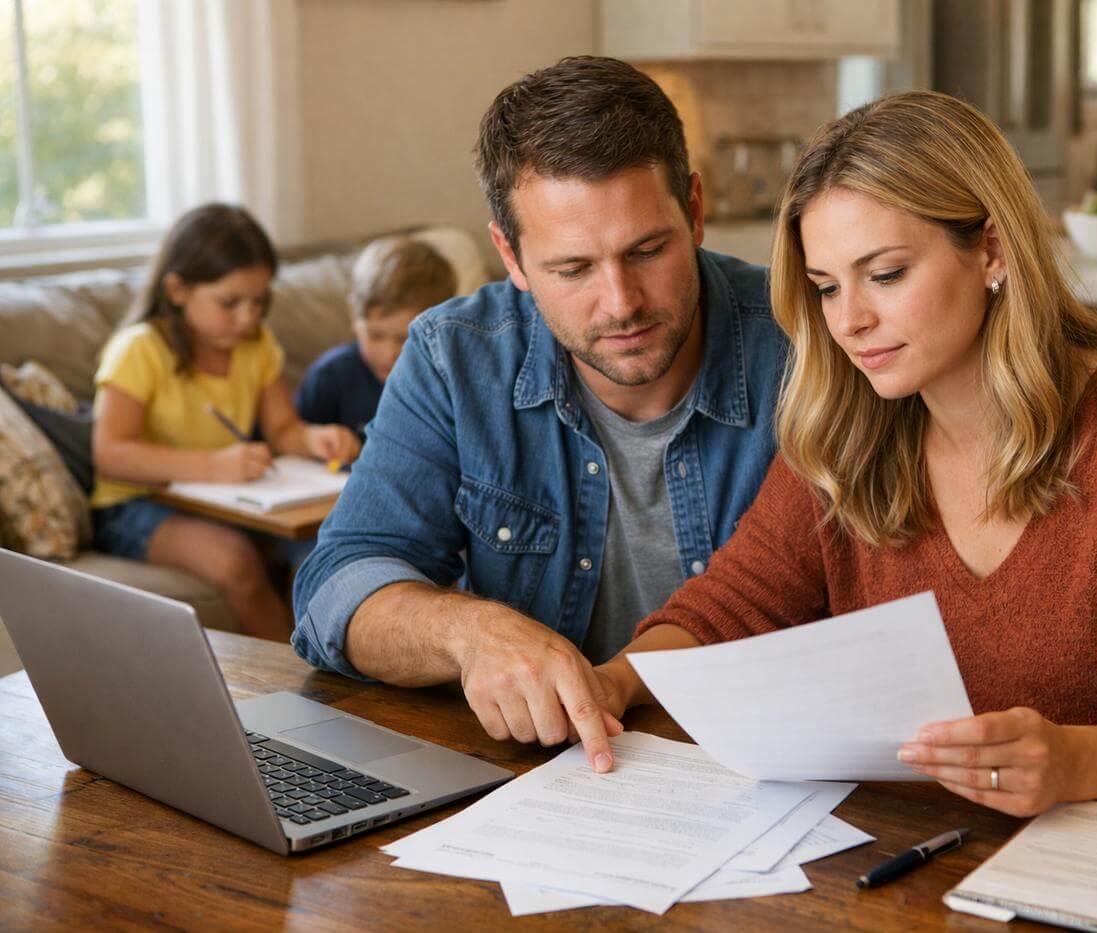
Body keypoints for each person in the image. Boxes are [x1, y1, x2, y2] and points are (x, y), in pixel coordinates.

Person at [589, 91, 1097, 815]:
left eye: (885, 274)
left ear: (990, 248)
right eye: (825, 287)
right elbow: (728, 610)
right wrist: (613, 681)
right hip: (914, 867)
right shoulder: (847, 431)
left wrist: (1080, 763)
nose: (849, 321)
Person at [291, 57, 788, 772]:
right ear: (511, 256)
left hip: (764, 774)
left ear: (696, 210)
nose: (621, 303)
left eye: (647, 250)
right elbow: (335, 586)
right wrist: (469, 632)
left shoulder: (805, 344)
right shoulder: (453, 357)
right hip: (541, 784)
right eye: (573, 269)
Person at [90, 204, 362, 640]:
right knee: (233, 559)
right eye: (229, 303)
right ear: (177, 290)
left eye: (259, 301)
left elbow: (284, 431)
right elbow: (110, 455)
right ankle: (294, 686)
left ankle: (330, 660)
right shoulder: (139, 349)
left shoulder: (255, 346)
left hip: (225, 496)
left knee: (324, 547)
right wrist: (214, 466)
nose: (247, 318)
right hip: (135, 503)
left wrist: (315, 439)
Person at [295, 236, 458, 438]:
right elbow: (296, 439)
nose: (389, 353)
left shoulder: (452, 380)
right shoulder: (330, 376)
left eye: (404, 339)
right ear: (354, 317)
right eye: (375, 335)